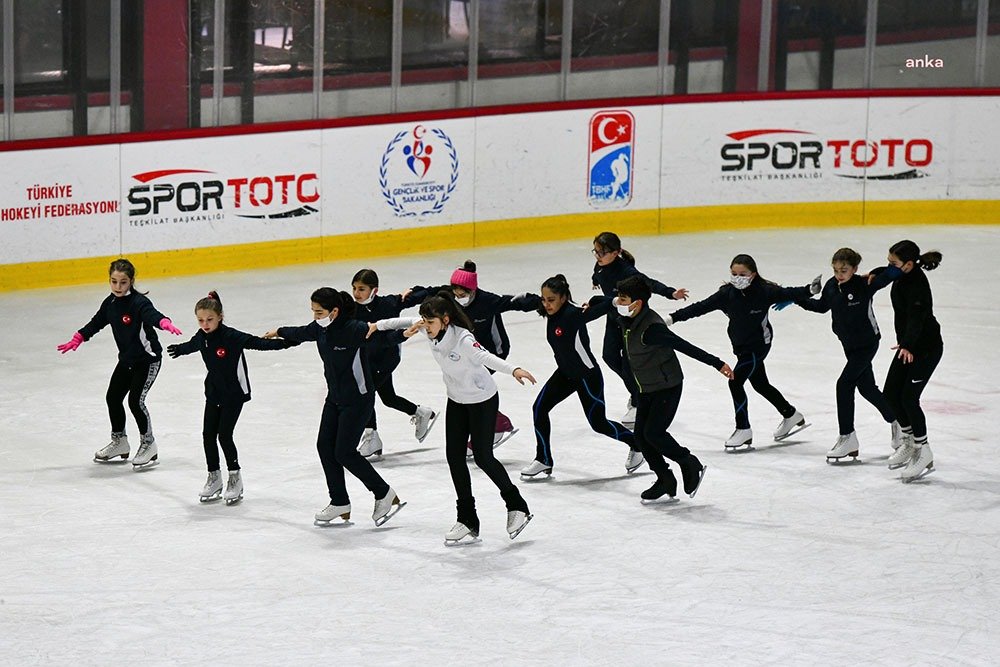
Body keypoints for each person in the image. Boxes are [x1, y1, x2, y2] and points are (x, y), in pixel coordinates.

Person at [372, 291, 536, 545]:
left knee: (483, 457)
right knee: (454, 458)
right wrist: (375, 325)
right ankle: (467, 519)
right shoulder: (428, 328)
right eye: (424, 322)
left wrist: (513, 369)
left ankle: (517, 505)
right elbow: (399, 322)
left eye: (431, 322)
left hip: (482, 400)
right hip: (457, 400)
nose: (426, 327)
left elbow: (485, 357)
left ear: (446, 320)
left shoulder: (463, 339)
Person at [264, 288, 404, 527]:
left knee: (344, 452)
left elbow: (383, 335)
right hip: (335, 398)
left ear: (334, 311)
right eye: (313, 312)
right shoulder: (319, 328)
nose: (316, 316)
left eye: (320, 312)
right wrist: (279, 331)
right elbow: (300, 332)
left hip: (358, 400)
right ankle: (339, 501)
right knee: (325, 447)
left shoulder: (354, 329)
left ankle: (384, 493)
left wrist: (405, 333)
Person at [668, 254, 821, 450]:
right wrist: (672, 318)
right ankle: (790, 414)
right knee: (760, 384)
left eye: (743, 274)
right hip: (741, 346)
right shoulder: (726, 294)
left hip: (759, 345)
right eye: (734, 273)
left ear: (753, 274)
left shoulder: (765, 291)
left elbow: (789, 293)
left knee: (735, 381)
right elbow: (700, 307)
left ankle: (743, 429)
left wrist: (810, 290)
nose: (737, 277)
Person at [608, 277, 733, 503]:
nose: (618, 302)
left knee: (654, 433)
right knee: (641, 436)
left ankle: (689, 462)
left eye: (623, 299)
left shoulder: (651, 328)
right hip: (646, 387)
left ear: (637, 303)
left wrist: (717, 363)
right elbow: (601, 301)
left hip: (667, 387)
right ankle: (665, 479)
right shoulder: (628, 319)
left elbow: (685, 346)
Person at [166, 291, 298, 504]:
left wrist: (287, 342)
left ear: (220, 316)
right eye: (200, 320)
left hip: (234, 393)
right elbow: (193, 344)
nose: (205, 324)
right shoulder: (202, 336)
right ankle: (214, 477)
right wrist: (180, 350)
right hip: (214, 392)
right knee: (208, 434)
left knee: (224, 435)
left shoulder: (231, 337)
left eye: (209, 319)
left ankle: (235, 477)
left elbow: (259, 343)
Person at [56, 258, 182, 469]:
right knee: (113, 398)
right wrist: (79, 337)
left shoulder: (138, 303)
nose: (117, 287)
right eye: (114, 281)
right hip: (127, 360)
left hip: (147, 360)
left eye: (123, 282)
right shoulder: (111, 303)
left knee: (135, 401)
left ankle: (148, 444)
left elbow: (152, 315)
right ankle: (120, 442)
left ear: (131, 281)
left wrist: (164, 323)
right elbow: (96, 322)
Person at [520, 274, 641, 479]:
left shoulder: (573, 314)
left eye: (551, 300)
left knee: (598, 424)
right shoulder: (548, 308)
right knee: (539, 408)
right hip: (565, 374)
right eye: (544, 299)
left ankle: (637, 444)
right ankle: (544, 459)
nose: (546, 304)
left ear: (563, 298)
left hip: (587, 376)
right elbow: (524, 301)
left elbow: (601, 308)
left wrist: (613, 301)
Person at [413, 260, 541, 448]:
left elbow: (515, 302)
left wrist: (542, 302)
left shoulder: (487, 301)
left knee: (471, 385)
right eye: (455, 294)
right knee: (465, 385)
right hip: (468, 351)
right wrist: (408, 295)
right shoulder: (449, 295)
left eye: (462, 294)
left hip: (492, 351)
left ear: (473, 291)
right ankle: (493, 424)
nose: (458, 298)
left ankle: (496, 424)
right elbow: (428, 292)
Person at [792, 249, 901, 462]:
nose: (839, 274)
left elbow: (892, 274)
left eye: (844, 270)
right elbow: (821, 307)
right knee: (867, 388)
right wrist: (797, 298)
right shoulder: (832, 286)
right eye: (835, 270)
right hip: (849, 345)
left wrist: (880, 270)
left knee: (844, 385)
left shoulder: (864, 285)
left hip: (867, 344)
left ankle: (847, 437)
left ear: (855, 269)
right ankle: (898, 420)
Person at [590, 231, 689, 426]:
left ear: (616, 252)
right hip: (614, 316)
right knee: (609, 356)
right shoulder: (600, 265)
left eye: (602, 252)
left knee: (630, 363)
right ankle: (635, 390)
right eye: (595, 251)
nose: (597, 256)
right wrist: (595, 280)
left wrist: (671, 293)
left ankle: (638, 399)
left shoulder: (627, 272)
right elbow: (598, 273)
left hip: (633, 320)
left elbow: (649, 283)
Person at [351, 269, 437, 459]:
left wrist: (415, 289)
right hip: (367, 359)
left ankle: (371, 436)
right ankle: (421, 412)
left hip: (387, 358)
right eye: (355, 288)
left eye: (362, 289)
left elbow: (425, 292)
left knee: (365, 394)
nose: (357, 293)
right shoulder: (352, 308)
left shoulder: (388, 303)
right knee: (388, 398)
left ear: (374, 290)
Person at [880, 240, 943, 482]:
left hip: (925, 349)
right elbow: (884, 272)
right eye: (889, 262)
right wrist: (871, 276)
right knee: (890, 394)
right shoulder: (902, 273)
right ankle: (907, 439)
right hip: (908, 347)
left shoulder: (917, 284)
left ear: (908, 264)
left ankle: (923, 450)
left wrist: (907, 344)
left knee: (908, 398)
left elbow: (917, 318)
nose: (890, 267)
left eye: (893, 263)